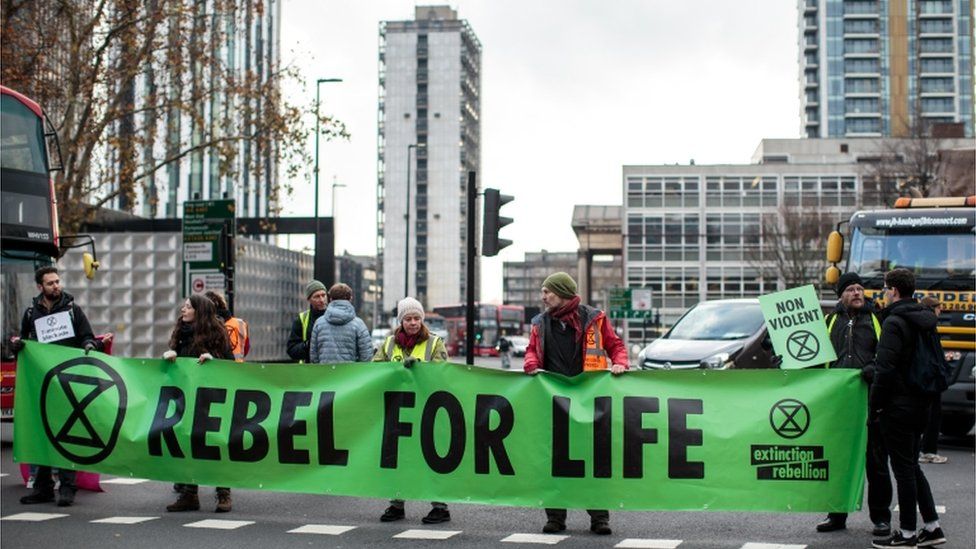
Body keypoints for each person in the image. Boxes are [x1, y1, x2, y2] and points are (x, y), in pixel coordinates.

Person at [522, 272, 629, 536]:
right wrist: (531, 363)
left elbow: (615, 346)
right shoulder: (540, 323)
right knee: (555, 459)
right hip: (554, 401)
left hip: (589, 400)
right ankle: (555, 518)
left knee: (593, 458)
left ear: (562, 292)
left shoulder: (594, 318)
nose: (543, 296)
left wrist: (620, 363)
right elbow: (532, 350)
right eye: (543, 291)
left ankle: (599, 518)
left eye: (547, 292)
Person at [15, 266, 113, 507]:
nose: (56, 286)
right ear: (40, 287)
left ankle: (68, 487)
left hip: (68, 383)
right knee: (42, 434)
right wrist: (19, 346)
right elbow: (25, 341)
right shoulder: (30, 312)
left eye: (58, 281)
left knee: (67, 436)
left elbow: (87, 337)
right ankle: (43, 488)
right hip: (42, 382)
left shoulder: (72, 310)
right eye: (50, 283)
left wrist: (90, 345)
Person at [870, 268, 947, 548]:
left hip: (898, 405)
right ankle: (932, 527)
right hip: (922, 402)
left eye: (885, 288)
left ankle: (907, 534)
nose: (883, 292)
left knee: (903, 470)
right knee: (912, 467)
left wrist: (875, 406)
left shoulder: (894, 322)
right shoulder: (926, 320)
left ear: (894, 290)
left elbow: (885, 369)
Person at [816, 273, 892, 536]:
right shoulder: (829, 321)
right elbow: (813, 360)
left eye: (860, 288)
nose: (858, 293)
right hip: (838, 405)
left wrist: (873, 369)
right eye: (851, 289)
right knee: (838, 462)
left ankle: (881, 519)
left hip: (871, 402)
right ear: (841, 295)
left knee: (876, 463)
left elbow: (888, 355)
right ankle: (836, 514)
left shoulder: (877, 320)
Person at [373, 297, 449, 524]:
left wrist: (421, 368)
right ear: (401, 321)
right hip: (397, 410)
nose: (413, 322)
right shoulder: (388, 344)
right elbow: (374, 370)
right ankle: (396, 505)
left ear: (422, 319)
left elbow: (444, 372)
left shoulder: (435, 343)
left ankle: (440, 507)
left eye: (417, 318)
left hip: (426, 410)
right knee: (398, 459)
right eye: (408, 318)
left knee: (430, 460)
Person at [164, 295, 234, 513]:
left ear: (199, 311)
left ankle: (223, 493)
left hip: (211, 398)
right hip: (186, 397)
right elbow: (178, 358)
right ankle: (189, 493)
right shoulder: (180, 331)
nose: (183, 310)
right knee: (187, 443)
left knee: (214, 443)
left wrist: (212, 359)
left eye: (188, 307)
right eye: (183, 306)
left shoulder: (216, 331)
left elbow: (230, 363)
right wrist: (172, 356)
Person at [309, 283, 373, 364]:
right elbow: (366, 357)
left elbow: (314, 357)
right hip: (351, 375)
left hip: (325, 374)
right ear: (350, 299)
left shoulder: (319, 323)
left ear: (331, 299)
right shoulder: (359, 324)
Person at [917, 296, 948, 465]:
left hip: (927, 378)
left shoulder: (922, 326)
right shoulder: (928, 327)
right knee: (932, 415)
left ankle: (924, 450)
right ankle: (928, 451)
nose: (940, 310)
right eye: (938, 307)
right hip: (931, 379)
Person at [286, 280, 328, 363]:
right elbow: (292, 351)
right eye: (317, 296)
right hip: (309, 370)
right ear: (309, 299)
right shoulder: (301, 319)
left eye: (323, 295)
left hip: (333, 369)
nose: (322, 300)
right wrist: (308, 344)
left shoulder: (334, 317)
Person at [205, 291, 250, 362]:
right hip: (238, 367)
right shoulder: (240, 323)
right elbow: (246, 347)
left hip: (220, 367)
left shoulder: (210, 324)